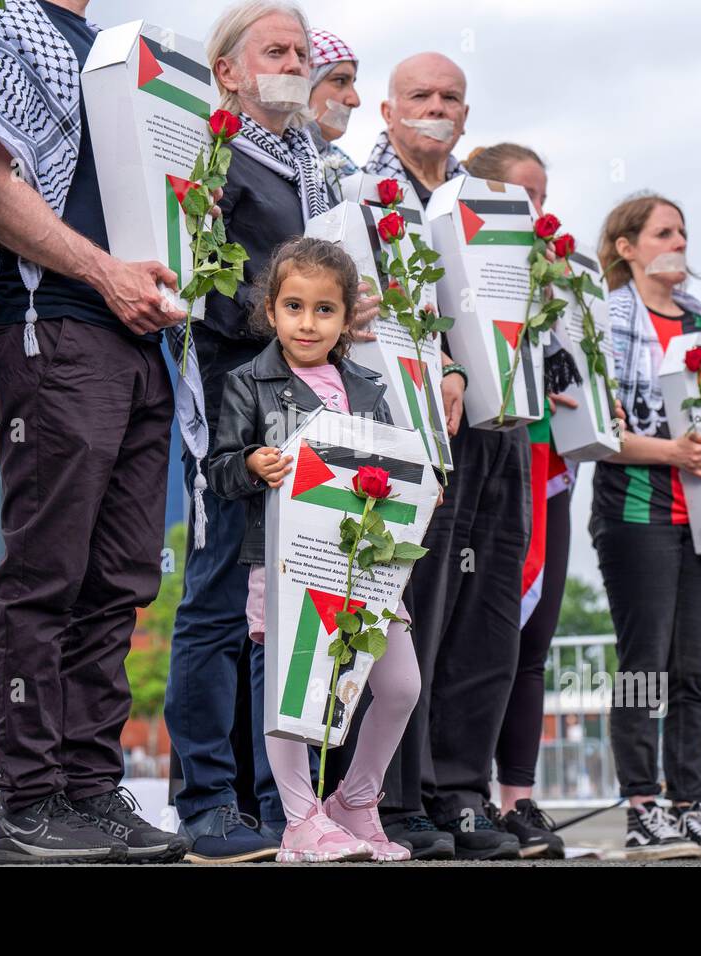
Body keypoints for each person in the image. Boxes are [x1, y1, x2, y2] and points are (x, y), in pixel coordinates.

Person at [0, 0, 190, 864]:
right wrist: (100, 271)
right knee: (47, 573)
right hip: (53, 321)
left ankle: (90, 792)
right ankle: (27, 803)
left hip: (142, 342)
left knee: (119, 581)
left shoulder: (124, 50)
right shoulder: (6, 24)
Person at [164, 0, 337, 863]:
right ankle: (206, 800)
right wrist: (287, 317)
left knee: (294, 606)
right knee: (214, 603)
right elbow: (193, 278)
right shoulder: (206, 151)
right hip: (235, 400)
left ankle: (284, 804)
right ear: (226, 70)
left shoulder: (315, 167)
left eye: (304, 48)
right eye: (277, 47)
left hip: (315, 406)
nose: (296, 58)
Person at [207, 237, 420, 862]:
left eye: (324, 310)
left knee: (400, 683)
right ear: (270, 310)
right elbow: (216, 470)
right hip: (282, 559)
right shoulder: (249, 382)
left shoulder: (370, 387)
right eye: (294, 307)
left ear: (348, 315)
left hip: (367, 561)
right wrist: (250, 464)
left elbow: (393, 466)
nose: (307, 322)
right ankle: (300, 819)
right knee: (291, 689)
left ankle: (356, 801)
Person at [362, 52, 526, 861]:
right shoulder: (357, 193)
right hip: (410, 422)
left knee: (487, 619)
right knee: (413, 616)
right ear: (386, 113)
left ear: (468, 112)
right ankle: (398, 800)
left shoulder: (493, 201)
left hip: (502, 430)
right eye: (419, 96)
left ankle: (461, 791)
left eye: (451, 96)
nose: (436, 107)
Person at [593, 193, 701, 860]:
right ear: (627, 247)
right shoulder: (609, 317)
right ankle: (642, 807)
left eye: (683, 230)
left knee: (693, 667)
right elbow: (600, 432)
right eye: (663, 232)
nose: (678, 241)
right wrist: (674, 452)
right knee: (644, 662)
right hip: (636, 507)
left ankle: (689, 805)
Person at [462, 142, 566, 858]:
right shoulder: (468, 253)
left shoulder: (556, 272)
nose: (538, 211)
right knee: (479, 634)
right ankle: (460, 793)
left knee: (534, 641)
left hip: (548, 454)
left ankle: (518, 798)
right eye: (523, 196)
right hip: (490, 448)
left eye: (543, 196)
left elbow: (575, 364)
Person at [306, 29, 359, 194]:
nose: (355, 100)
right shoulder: (268, 159)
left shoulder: (348, 169)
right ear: (305, 84)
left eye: (353, 83)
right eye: (340, 81)